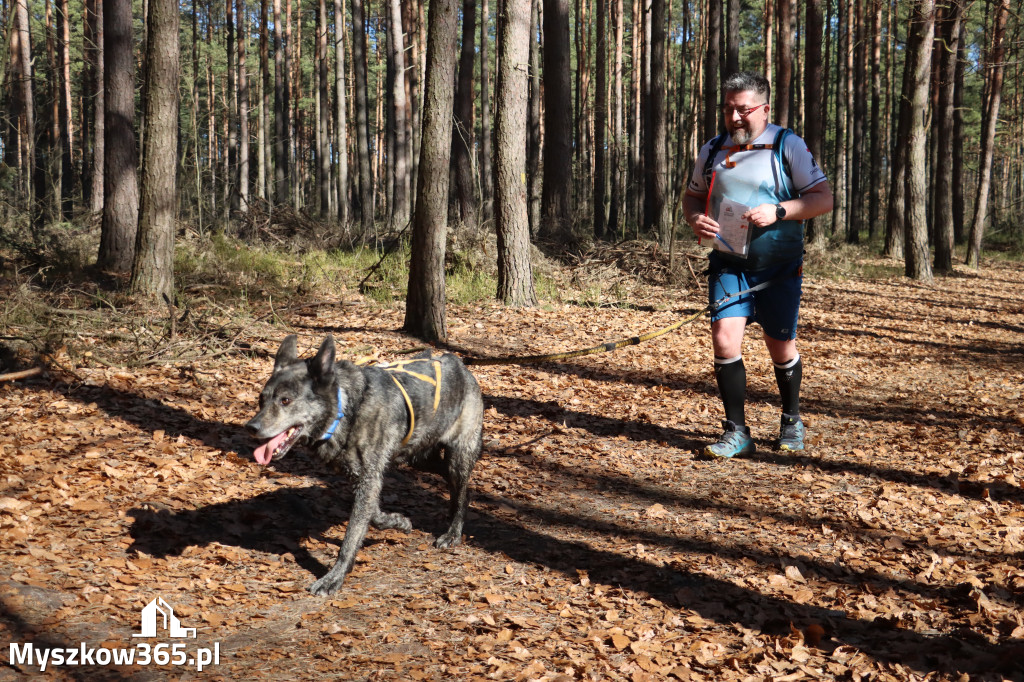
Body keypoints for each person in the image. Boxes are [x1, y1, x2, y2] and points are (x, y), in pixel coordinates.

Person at [682, 71, 833, 459]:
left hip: (779, 268)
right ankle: (737, 431)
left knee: (780, 345)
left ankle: (791, 419)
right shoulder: (712, 149)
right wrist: (695, 218)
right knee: (724, 339)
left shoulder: (788, 145)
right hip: (728, 263)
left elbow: (823, 199)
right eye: (728, 110)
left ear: (764, 109)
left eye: (743, 110)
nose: (734, 118)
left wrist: (781, 210)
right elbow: (692, 198)